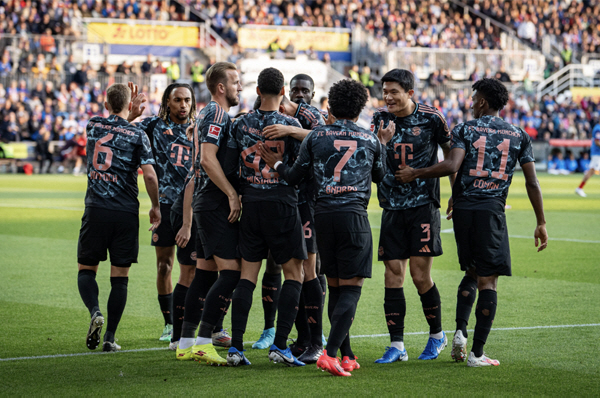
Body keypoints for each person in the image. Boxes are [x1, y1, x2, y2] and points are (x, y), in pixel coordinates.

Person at [396, 77, 548, 367]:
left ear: (483, 102)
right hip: (491, 210)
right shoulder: (519, 135)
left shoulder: (465, 128)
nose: (470, 102)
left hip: (464, 210)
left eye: (473, 97)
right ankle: (477, 354)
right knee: (489, 281)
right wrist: (540, 221)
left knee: (472, 271)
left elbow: (453, 166)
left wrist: (421, 175)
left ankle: (461, 333)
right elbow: (532, 182)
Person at [258, 78, 386, 376]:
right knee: (351, 289)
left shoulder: (316, 136)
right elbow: (382, 177)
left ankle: (347, 354)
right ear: (360, 108)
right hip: (354, 216)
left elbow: (292, 176)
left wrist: (276, 164)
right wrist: (384, 145)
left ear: (329, 105)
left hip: (323, 217)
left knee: (338, 288)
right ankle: (328, 354)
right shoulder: (369, 139)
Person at [370, 68, 453, 364]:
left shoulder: (432, 118)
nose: (388, 97)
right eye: (385, 92)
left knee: (420, 276)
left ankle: (436, 335)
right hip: (391, 206)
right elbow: (372, 163)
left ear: (409, 93)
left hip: (422, 206)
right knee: (392, 275)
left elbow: (452, 153)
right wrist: (380, 143)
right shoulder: (380, 120)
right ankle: (397, 345)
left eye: (394, 92)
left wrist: (454, 192)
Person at [227, 67, 306, 367]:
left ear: (257, 91)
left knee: (247, 276)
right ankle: (280, 346)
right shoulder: (290, 124)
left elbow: (231, 166)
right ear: (283, 91)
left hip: (252, 205)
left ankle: (236, 348)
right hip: (283, 205)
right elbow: (301, 167)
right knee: (293, 274)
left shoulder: (240, 123)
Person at [76, 83, 161, 352]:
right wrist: (156, 207)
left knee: (86, 270)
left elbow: (113, 127)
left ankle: (94, 312)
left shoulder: (93, 125)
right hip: (125, 212)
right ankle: (110, 337)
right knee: (120, 277)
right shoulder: (138, 135)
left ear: (105, 104)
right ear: (129, 105)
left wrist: (126, 113)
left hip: (96, 209)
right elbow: (149, 175)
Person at [175, 62, 243, 366]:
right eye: (235, 82)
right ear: (221, 87)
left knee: (203, 273)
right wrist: (231, 194)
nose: (239, 87)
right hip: (214, 202)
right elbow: (207, 158)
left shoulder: (207, 114)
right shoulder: (215, 112)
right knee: (232, 272)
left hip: (202, 201)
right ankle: (204, 340)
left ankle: (185, 342)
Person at [257, 89, 326, 363]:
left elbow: (326, 138)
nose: (299, 94)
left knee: (308, 270)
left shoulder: (308, 115)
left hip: (307, 199)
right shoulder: (266, 115)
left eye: (303, 89)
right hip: (282, 202)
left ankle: (316, 340)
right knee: (291, 272)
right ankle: (302, 337)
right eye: (294, 88)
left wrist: (289, 130)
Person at [127, 82, 198, 345]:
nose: (183, 105)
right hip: (165, 206)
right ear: (167, 102)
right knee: (164, 265)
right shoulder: (152, 126)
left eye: (187, 100)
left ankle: (190, 323)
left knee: (192, 268)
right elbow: (121, 131)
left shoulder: (200, 129)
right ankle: (170, 323)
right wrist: (130, 115)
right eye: (177, 100)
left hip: (192, 206)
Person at [576, 122, 600, 197]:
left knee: (592, 171)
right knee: (592, 171)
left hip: (597, 153)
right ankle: (579, 188)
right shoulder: (598, 128)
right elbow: (597, 142)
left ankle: (580, 188)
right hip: (597, 153)